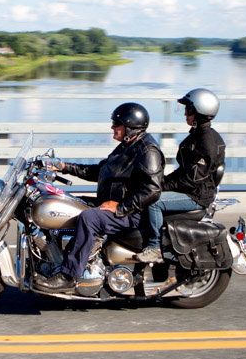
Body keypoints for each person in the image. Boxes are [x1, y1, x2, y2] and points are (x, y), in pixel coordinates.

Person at [37, 102, 164, 294]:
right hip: (113, 203)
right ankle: (57, 258)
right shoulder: (126, 146)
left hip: (132, 213)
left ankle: (68, 276)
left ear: (130, 127)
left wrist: (120, 207)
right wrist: (63, 166)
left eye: (116, 123)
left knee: (90, 218)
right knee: (67, 203)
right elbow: (99, 171)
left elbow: (153, 190)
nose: (112, 127)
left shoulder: (147, 151)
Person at [138, 88, 226, 262]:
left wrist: (160, 188)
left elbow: (193, 178)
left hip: (196, 196)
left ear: (199, 111)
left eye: (189, 110)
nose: (186, 113)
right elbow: (183, 171)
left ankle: (153, 247)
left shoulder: (206, 140)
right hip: (191, 190)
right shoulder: (197, 135)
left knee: (153, 201)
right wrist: (160, 182)